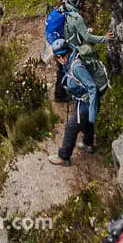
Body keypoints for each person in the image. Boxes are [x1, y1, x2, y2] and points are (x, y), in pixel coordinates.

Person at [48, 38, 98, 167]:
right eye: (57, 57)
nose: (60, 59)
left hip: (85, 102)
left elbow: (92, 87)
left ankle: (63, 157)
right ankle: (88, 144)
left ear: (68, 52)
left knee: (71, 126)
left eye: (63, 55)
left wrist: (92, 112)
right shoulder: (69, 61)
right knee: (85, 122)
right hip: (79, 98)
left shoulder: (76, 66)